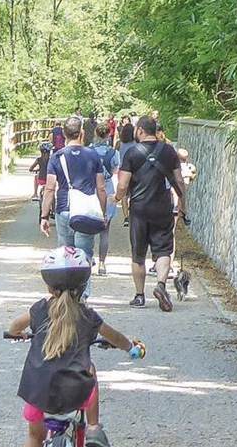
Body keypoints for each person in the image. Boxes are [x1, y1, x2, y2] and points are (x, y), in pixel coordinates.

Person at [4, 247, 144, 447]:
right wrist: (131, 348)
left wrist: (18, 333)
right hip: (75, 390)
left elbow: (14, 325)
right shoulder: (88, 316)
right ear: (83, 284)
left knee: (35, 437)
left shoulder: (38, 310)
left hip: (38, 391)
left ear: (48, 285)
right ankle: (93, 428)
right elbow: (116, 338)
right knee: (90, 370)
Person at [115, 115, 186, 310]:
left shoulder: (132, 153)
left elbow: (123, 184)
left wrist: (117, 198)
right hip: (163, 207)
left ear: (139, 131)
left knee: (138, 255)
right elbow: (179, 180)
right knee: (163, 250)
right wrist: (183, 204)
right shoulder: (169, 151)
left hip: (139, 209)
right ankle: (161, 284)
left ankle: (139, 296)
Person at [40, 116, 108, 265]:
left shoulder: (57, 157)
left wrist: (44, 216)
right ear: (82, 133)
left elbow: (49, 189)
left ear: (64, 134)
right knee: (83, 257)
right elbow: (101, 188)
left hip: (65, 208)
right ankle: (85, 281)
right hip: (86, 211)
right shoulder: (93, 155)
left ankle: (67, 280)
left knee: (65, 257)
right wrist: (103, 213)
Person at [87, 121, 121, 275]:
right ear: (108, 135)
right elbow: (114, 170)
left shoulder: (88, 151)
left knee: (87, 228)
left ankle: (88, 259)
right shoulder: (114, 153)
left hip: (90, 187)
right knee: (105, 230)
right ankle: (102, 263)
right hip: (107, 188)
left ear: (95, 134)